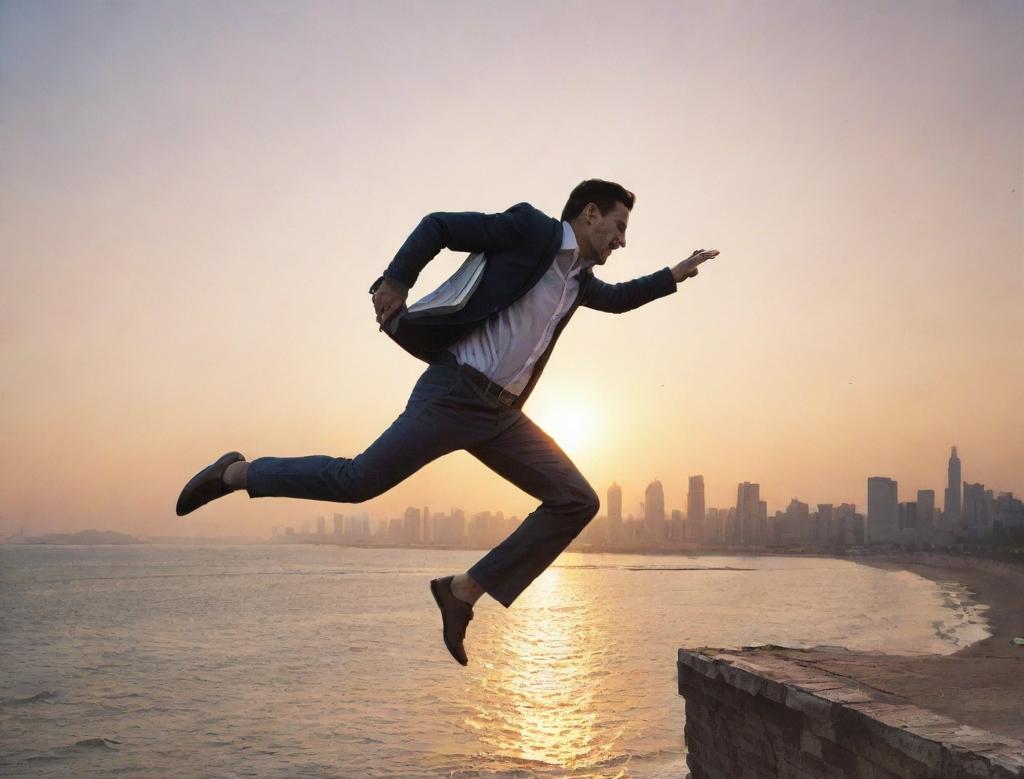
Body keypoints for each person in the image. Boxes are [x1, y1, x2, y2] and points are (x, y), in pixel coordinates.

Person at [176, 179, 718, 665]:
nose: (622, 240)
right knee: (358, 480)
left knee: (577, 500)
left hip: (502, 418)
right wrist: (396, 280)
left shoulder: (578, 283)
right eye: (620, 226)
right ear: (592, 214)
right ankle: (235, 474)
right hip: (454, 391)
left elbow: (621, 300)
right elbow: (439, 226)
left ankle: (461, 592)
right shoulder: (531, 230)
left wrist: (674, 275)